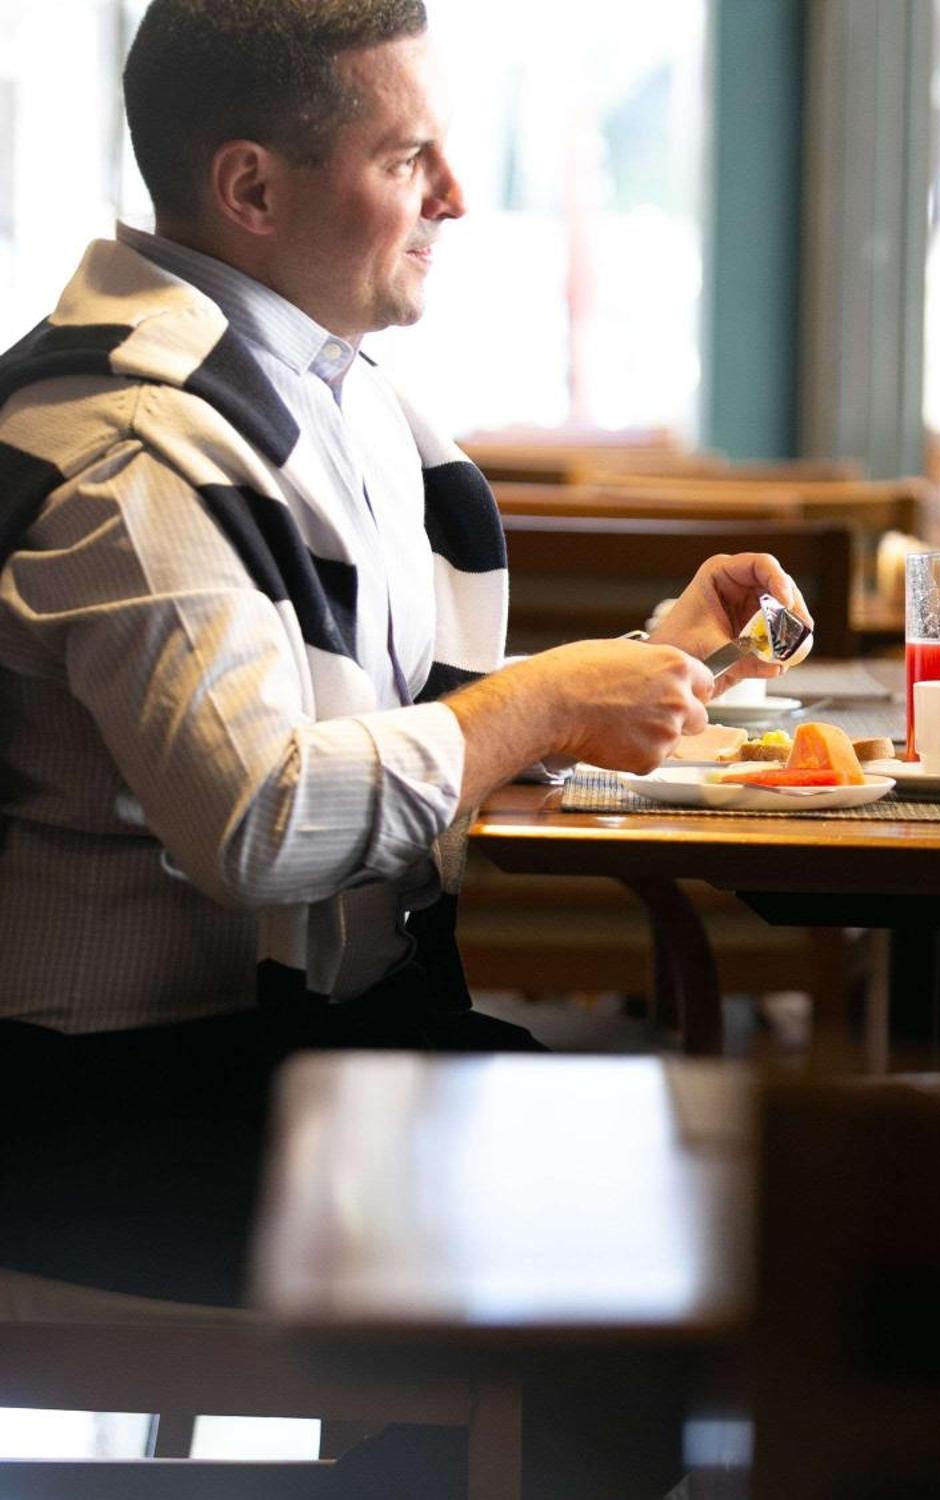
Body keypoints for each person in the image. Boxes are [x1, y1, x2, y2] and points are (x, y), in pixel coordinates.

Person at [0, 0, 810, 1304]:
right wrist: (547, 703)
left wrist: (642, 666)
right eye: (406, 159)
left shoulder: (319, 390)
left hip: (306, 1055)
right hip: (108, 1112)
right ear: (252, 186)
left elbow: (362, 717)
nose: (460, 196)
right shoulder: (130, 441)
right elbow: (261, 818)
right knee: (692, 1247)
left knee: (732, 1189)